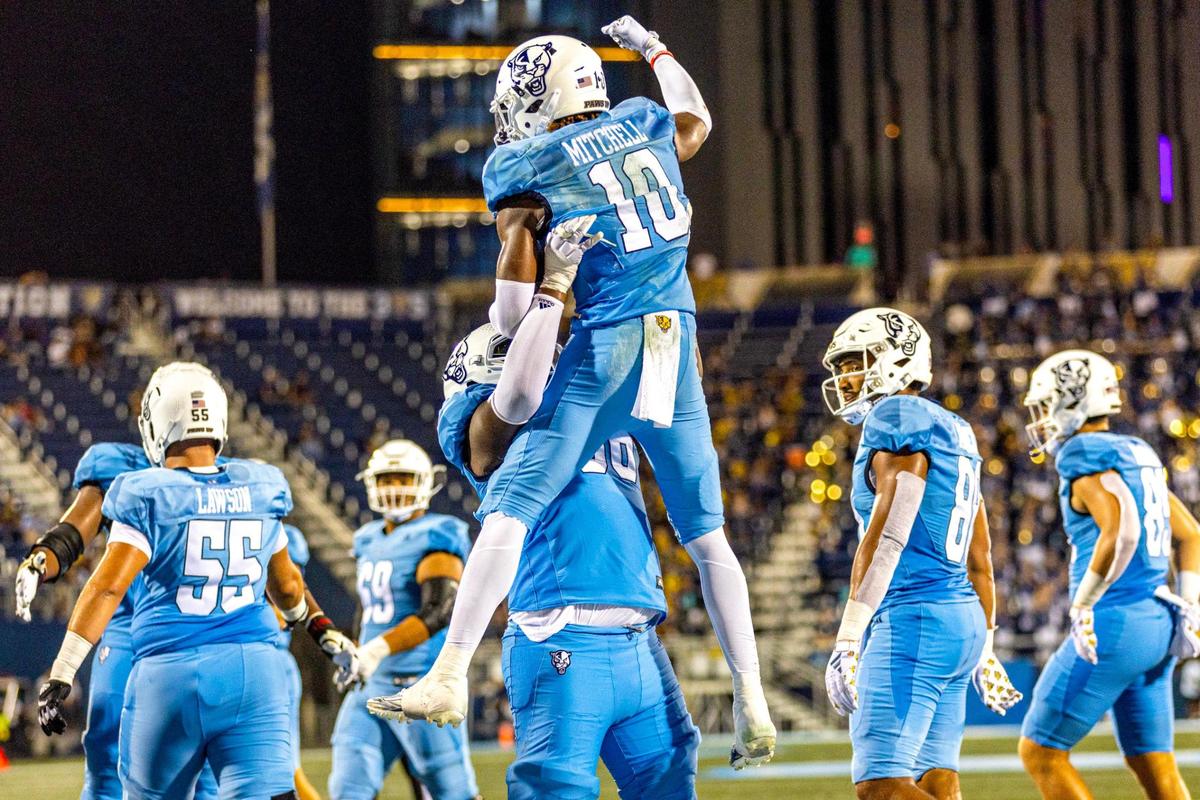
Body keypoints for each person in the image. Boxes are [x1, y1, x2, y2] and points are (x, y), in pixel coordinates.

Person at [390, 16, 775, 765]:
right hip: (678, 339)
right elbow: (696, 120)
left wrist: (541, 259)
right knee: (706, 535)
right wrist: (656, 47)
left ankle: (448, 670)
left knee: (512, 503)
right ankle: (752, 699)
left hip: (614, 338)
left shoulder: (529, 161)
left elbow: (506, 317)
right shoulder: (642, 121)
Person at [376, 216, 770, 795]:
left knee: (669, 783)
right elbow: (514, 401)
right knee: (556, 787)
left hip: (641, 641)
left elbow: (674, 369)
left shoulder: (591, 402)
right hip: (558, 635)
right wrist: (550, 290)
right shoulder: (482, 424)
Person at [36, 362, 359, 800]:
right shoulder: (261, 485)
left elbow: (108, 587)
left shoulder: (148, 492)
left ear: (157, 424)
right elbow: (286, 588)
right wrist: (323, 631)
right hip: (254, 674)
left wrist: (62, 672)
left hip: (171, 675)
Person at [822, 308, 1022, 800]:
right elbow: (981, 556)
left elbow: (891, 532)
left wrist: (848, 637)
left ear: (897, 360)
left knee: (880, 784)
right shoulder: (955, 429)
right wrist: (987, 643)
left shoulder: (896, 416)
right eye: (843, 366)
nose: (846, 377)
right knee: (938, 781)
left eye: (856, 362)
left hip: (915, 620)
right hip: (962, 620)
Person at [14, 377, 223, 800]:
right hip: (128, 625)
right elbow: (77, 528)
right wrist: (41, 559)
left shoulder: (223, 474)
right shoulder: (119, 466)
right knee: (107, 745)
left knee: (206, 762)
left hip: (195, 629)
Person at [1018, 349, 1200, 800]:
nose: (1040, 419)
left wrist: (1082, 604)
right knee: (1155, 767)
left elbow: (1122, 530)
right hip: (1160, 624)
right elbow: (1191, 533)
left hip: (1114, 624)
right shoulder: (1136, 450)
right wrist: (1191, 605)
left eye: (1044, 406)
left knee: (1040, 752)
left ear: (1070, 401)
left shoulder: (1081, 452)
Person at [327, 438, 479, 800]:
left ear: (427, 483)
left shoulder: (436, 533)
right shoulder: (367, 539)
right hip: (371, 686)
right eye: (387, 479)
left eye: (404, 478)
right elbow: (368, 609)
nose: (395, 488)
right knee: (347, 788)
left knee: (451, 791)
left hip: (422, 686)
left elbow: (440, 610)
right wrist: (359, 652)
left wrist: (377, 649)